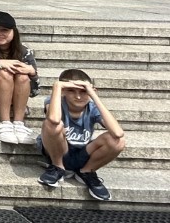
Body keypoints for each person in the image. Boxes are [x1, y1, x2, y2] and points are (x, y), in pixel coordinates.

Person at [38, 69, 126, 201]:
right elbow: (54, 120)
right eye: (71, 90)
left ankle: (86, 172)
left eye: (83, 91)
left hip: (83, 153)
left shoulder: (92, 108)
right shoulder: (54, 101)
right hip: (59, 151)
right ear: (63, 91)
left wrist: (94, 96)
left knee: (118, 141)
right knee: (52, 125)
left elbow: (118, 133)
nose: (78, 96)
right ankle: (57, 167)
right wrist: (57, 87)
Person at [0, 11, 38, 145]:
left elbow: (34, 92)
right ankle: (4, 122)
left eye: (4, 30)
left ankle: (18, 123)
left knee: (23, 76)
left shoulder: (24, 51)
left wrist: (32, 73)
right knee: (4, 73)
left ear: (13, 31)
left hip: (15, 95)